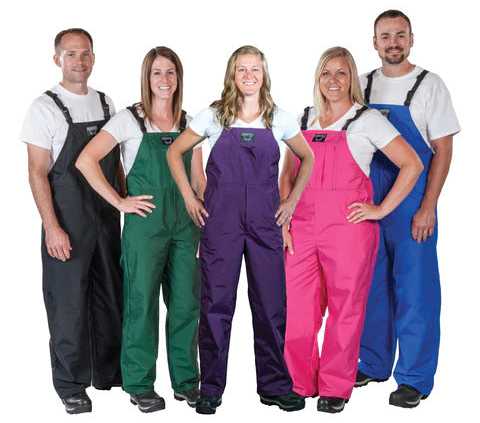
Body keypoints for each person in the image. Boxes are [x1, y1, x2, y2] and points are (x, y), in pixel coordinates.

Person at [167, 45, 314, 414]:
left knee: (271, 305)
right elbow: (174, 152)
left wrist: (291, 202)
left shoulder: (278, 118)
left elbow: (307, 156)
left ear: (264, 75)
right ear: (232, 74)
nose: (249, 75)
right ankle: (211, 388)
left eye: (255, 69)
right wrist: (189, 197)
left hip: (266, 222)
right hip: (221, 223)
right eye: (242, 69)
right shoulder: (214, 116)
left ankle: (275, 386)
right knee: (215, 305)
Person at [281, 47, 422, 413]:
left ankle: (334, 388)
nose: (333, 80)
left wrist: (381, 209)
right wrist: (284, 219)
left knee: (345, 311)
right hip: (301, 228)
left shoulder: (367, 120)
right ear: (318, 78)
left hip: (348, 229)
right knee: (297, 310)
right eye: (326, 73)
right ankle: (298, 382)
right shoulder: (302, 118)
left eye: (341, 73)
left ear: (351, 79)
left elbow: (411, 164)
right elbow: (287, 174)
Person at [76, 46, 205, 412]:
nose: (164, 80)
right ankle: (139, 383)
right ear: (147, 79)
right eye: (157, 73)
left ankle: (187, 382)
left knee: (186, 305)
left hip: (186, 227)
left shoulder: (190, 122)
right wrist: (119, 201)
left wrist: (204, 227)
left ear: (179, 78)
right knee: (142, 305)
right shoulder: (129, 120)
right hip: (145, 229)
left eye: (170, 73)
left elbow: (199, 179)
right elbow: (86, 160)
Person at [356, 10, 461, 408]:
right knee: (371, 284)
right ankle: (373, 362)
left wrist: (428, 206)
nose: (393, 43)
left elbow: (443, 150)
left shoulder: (430, 85)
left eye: (400, 35)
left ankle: (414, 378)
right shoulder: (361, 84)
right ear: (375, 42)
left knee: (415, 289)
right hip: (368, 197)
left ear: (411, 39)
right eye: (385, 36)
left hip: (413, 200)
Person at [20, 28, 123, 414]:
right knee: (68, 305)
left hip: (107, 220)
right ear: (57, 59)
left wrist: (124, 202)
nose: (79, 61)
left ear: (93, 58)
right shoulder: (43, 107)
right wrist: (52, 227)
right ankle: (71, 385)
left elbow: (115, 163)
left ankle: (109, 373)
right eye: (71, 54)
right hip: (68, 221)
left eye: (85, 54)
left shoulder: (106, 102)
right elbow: (36, 171)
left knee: (111, 297)